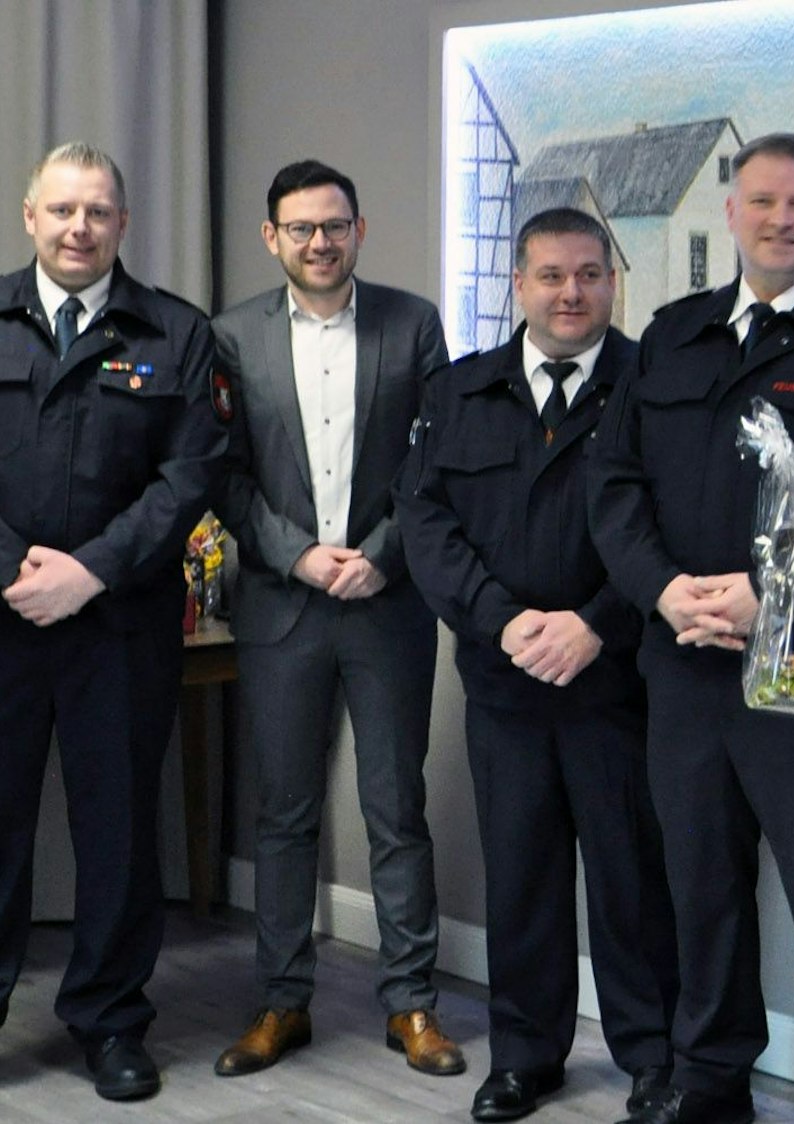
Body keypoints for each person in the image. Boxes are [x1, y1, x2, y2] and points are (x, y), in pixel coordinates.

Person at [590, 132, 794, 1124]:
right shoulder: (672, 336)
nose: (779, 219)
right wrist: (663, 589)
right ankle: (713, 1075)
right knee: (701, 889)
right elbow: (615, 488)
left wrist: (778, 601)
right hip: (680, 667)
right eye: (762, 201)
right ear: (732, 211)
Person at [395, 207, 678, 1122]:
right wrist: (505, 622)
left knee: (632, 878)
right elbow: (426, 525)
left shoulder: (653, 385)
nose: (571, 292)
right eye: (552, 275)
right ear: (517, 284)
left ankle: (650, 1057)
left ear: (612, 282)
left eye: (590, 274)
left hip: (617, 682)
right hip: (503, 681)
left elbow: (669, 530)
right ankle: (526, 1055)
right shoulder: (462, 391)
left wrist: (597, 624)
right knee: (521, 874)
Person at [211, 160, 460, 1078]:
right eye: (301, 228)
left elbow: (436, 460)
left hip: (385, 605)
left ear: (361, 228)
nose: (320, 242)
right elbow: (222, 473)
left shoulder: (413, 323)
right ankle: (282, 1003)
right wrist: (297, 554)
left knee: (398, 808)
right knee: (284, 814)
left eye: (335, 225)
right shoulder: (230, 337)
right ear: (271, 237)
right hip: (284, 607)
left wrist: (382, 554)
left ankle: (413, 1006)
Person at [0, 141, 227, 1101]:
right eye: (62, 211)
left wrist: (89, 571)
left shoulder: (175, 332)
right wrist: (17, 571)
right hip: (2, 619)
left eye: (97, 212)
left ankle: (109, 1021)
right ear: (29, 218)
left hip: (119, 625)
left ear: (123, 224)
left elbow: (191, 477)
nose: (79, 228)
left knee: (120, 833)